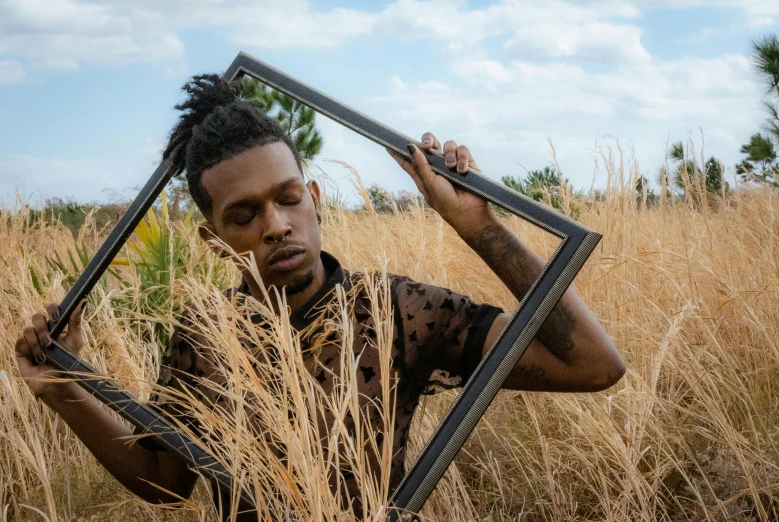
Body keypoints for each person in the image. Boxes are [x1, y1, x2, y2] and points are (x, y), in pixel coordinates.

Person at [14, 75, 625, 520]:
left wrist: (478, 226)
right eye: (245, 214)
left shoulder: (397, 313)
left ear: (314, 197)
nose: (276, 225)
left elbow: (594, 366)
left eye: (287, 198)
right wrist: (65, 390)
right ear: (214, 239)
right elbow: (165, 481)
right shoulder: (205, 335)